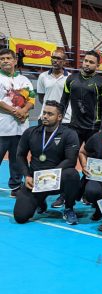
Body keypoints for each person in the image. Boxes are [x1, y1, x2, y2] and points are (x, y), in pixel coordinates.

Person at [13, 101, 80, 225]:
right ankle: (40, 201)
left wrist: (51, 174)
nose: (45, 116)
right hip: (35, 182)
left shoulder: (69, 134)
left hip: (57, 180)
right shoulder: (31, 132)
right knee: (20, 217)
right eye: (44, 113)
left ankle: (69, 208)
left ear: (59, 117)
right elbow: (20, 155)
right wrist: (27, 175)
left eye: (50, 114)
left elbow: (71, 160)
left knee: (72, 174)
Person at [0, 48, 35, 197]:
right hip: (2, 126)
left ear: (15, 61)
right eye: (2, 59)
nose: (5, 61)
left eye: (8, 58)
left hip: (21, 127)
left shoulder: (24, 80)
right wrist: (16, 111)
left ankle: (15, 186)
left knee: (17, 158)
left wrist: (24, 110)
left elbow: (32, 99)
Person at [60, 50, 102, 145]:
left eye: (91, 62)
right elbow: (64, 101)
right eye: (86, 61)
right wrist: (58, 120)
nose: (87, 64)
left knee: (91, 158)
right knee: (70, 155)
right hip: (74, 127)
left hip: (94, 129)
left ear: (97, 66)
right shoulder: (71, 79)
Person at [37, 49, 71, 124]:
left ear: (64, 61)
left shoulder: (70, 77)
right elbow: (41, 98)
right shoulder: (43, 76)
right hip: (45, 117)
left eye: (58, 58)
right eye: (53, 57)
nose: (55, 60)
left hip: (65, 119)